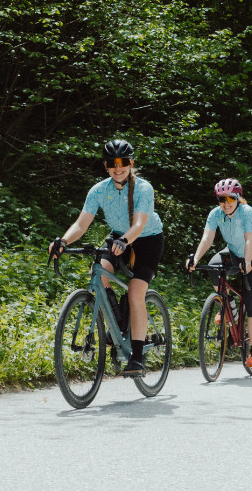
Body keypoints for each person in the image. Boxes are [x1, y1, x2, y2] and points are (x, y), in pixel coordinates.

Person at [48, 139, 165, 377]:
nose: (118, 168)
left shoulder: (143, 188)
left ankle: (137, 356)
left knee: (135, 292)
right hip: (119, 237)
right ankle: (119, 323)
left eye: (122, 162)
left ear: (131, 163)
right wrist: (63, 241)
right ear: (106, 166)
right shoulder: (99, 190)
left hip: (147, 239)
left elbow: (140, 224)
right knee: (98, 273)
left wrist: (125, 241)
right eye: (112, 163)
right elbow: (81, 224)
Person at [186, 179, 252, 371]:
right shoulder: (216, 214)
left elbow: (250, 239)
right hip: (233, 252)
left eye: (230, 198)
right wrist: (196, 259)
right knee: (214, 267)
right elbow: (207, 238)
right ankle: (229, 304)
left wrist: (247, 261)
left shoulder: (246, 212)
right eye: (221, 199)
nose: (226, 203)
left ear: (238, 197)